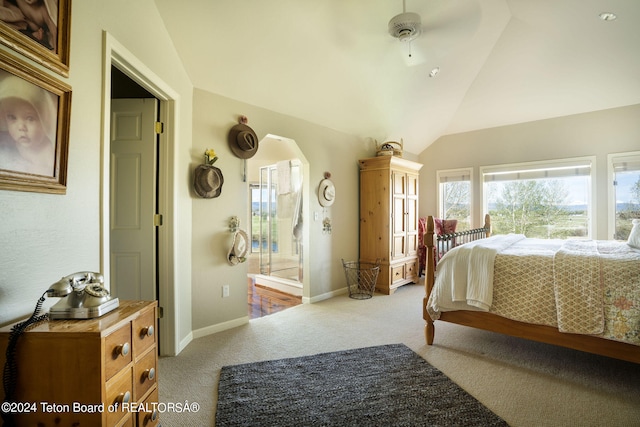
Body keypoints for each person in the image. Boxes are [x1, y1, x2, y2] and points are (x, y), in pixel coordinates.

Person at [0, 74, 57, 176]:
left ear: (45, 119)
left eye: (30, 118)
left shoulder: (50, 153)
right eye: (12, 117)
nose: (21, 127)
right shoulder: (12, 143)